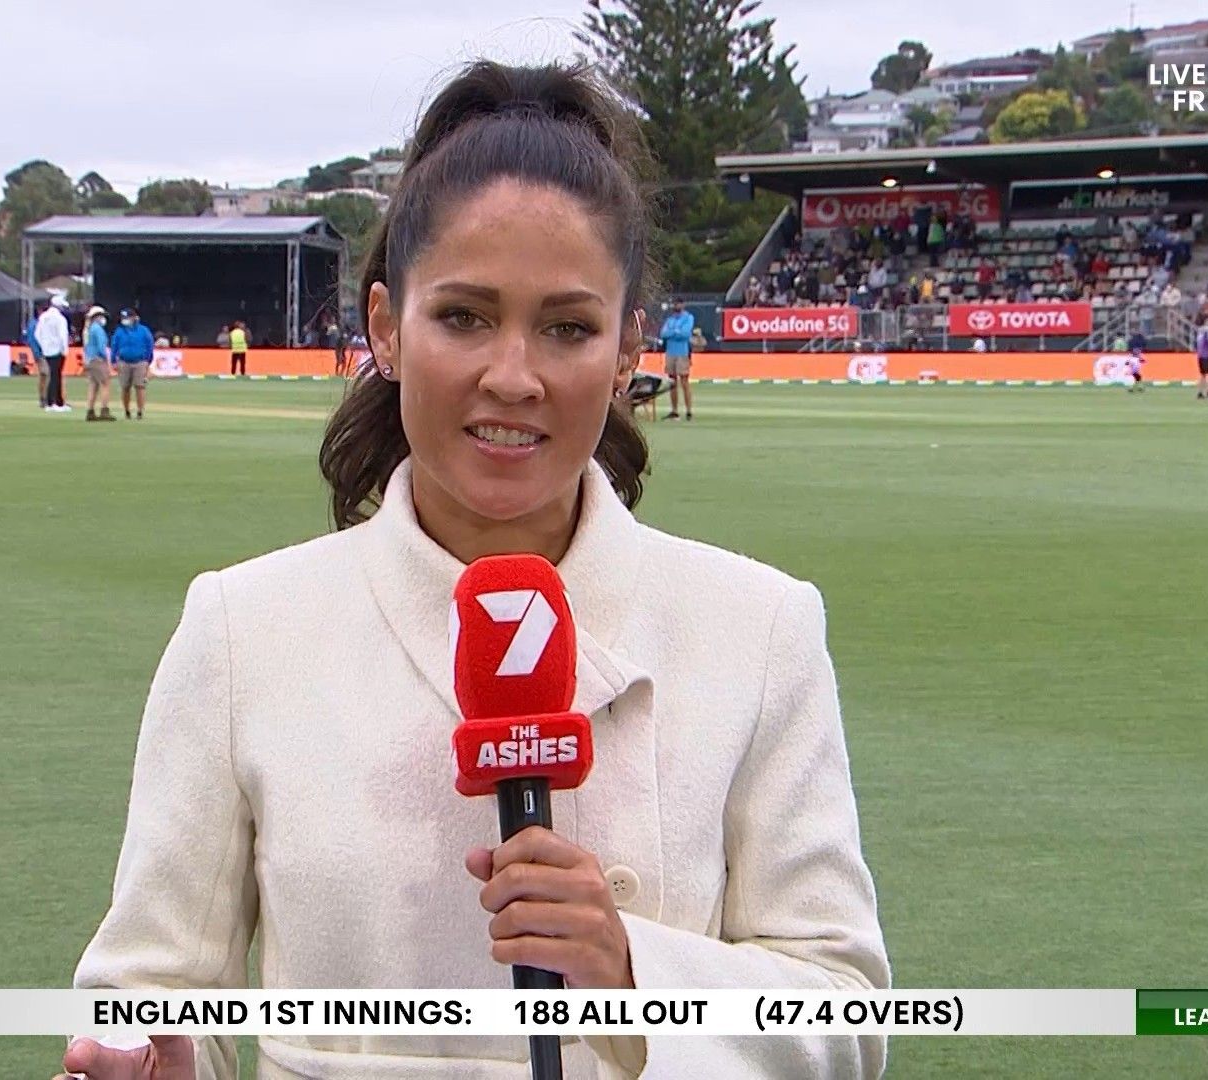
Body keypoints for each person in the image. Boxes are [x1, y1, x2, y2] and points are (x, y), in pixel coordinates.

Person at [56, 60, 887, 1080]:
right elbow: (150, 996)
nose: (513, 375)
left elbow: (849, 1017)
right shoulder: (243, 628)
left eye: (568, 328)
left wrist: (633, 971)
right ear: (384, 328)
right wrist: (150, 1060)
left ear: (629, 350)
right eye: (463, 317)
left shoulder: (757, 629)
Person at [111, 309, 155, 419]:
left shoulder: (143, 330)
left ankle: (140, 411)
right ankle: (127, 411)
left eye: (127, 318)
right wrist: (113, 361)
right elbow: (114, 345)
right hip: (123, 361)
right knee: (125, 387)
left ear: (134, 318)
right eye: (123, 318)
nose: (124, 320)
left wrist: (148, 360)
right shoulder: (120, 331)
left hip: (140, 361)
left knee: (140, 386)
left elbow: (150, 345)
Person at [658, 299, 695, 420]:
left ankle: (689, 411)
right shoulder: (670, 319)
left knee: (684, 381)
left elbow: (685, 334)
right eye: (675, 303)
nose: (676, 305)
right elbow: (663, 334)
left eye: (678, 303)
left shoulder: (688, 318)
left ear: (683, 305)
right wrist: (676, 332)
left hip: (682, 353)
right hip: (670, 353)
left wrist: (672, 333)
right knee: (672, 382)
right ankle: (674, 410)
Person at [35, 295, 71, 412]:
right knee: (56, 376)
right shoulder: (60, 319)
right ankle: (53, 402)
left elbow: (37, 334)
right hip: (57, 350)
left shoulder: (43, 317)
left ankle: (57, 402)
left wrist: (43, 345)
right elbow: (63, 336)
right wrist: (64, 350)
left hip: (47, 350)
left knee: (54, 375)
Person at [82, 306, 116, 422]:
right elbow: (101, 347)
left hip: (89, 359)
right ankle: (104, 410)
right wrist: (106, 358)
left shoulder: (89, 329)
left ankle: (90, 411)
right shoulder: (98, 329)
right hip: (98, 360)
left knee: (93, 385)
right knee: (105, 384)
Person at [25, 304, 48, 409]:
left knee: (44, 376)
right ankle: (44, 398)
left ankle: (44, 398)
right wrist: (38, 354)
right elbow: (32, 340)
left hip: (43, 353)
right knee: (46, 375)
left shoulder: (38, 323)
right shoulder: (35, 324)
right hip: (41, 354)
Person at [1127, 328, 1147, 392]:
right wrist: (1141, 358)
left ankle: (1136, 387)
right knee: (1136, 374)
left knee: (1135, 374)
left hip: (1133, 359)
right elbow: (1137, 350)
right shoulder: (1139, 341)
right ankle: (1136, 387)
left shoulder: (1131, 341)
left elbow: (1132, 351)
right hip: (1135, 360)